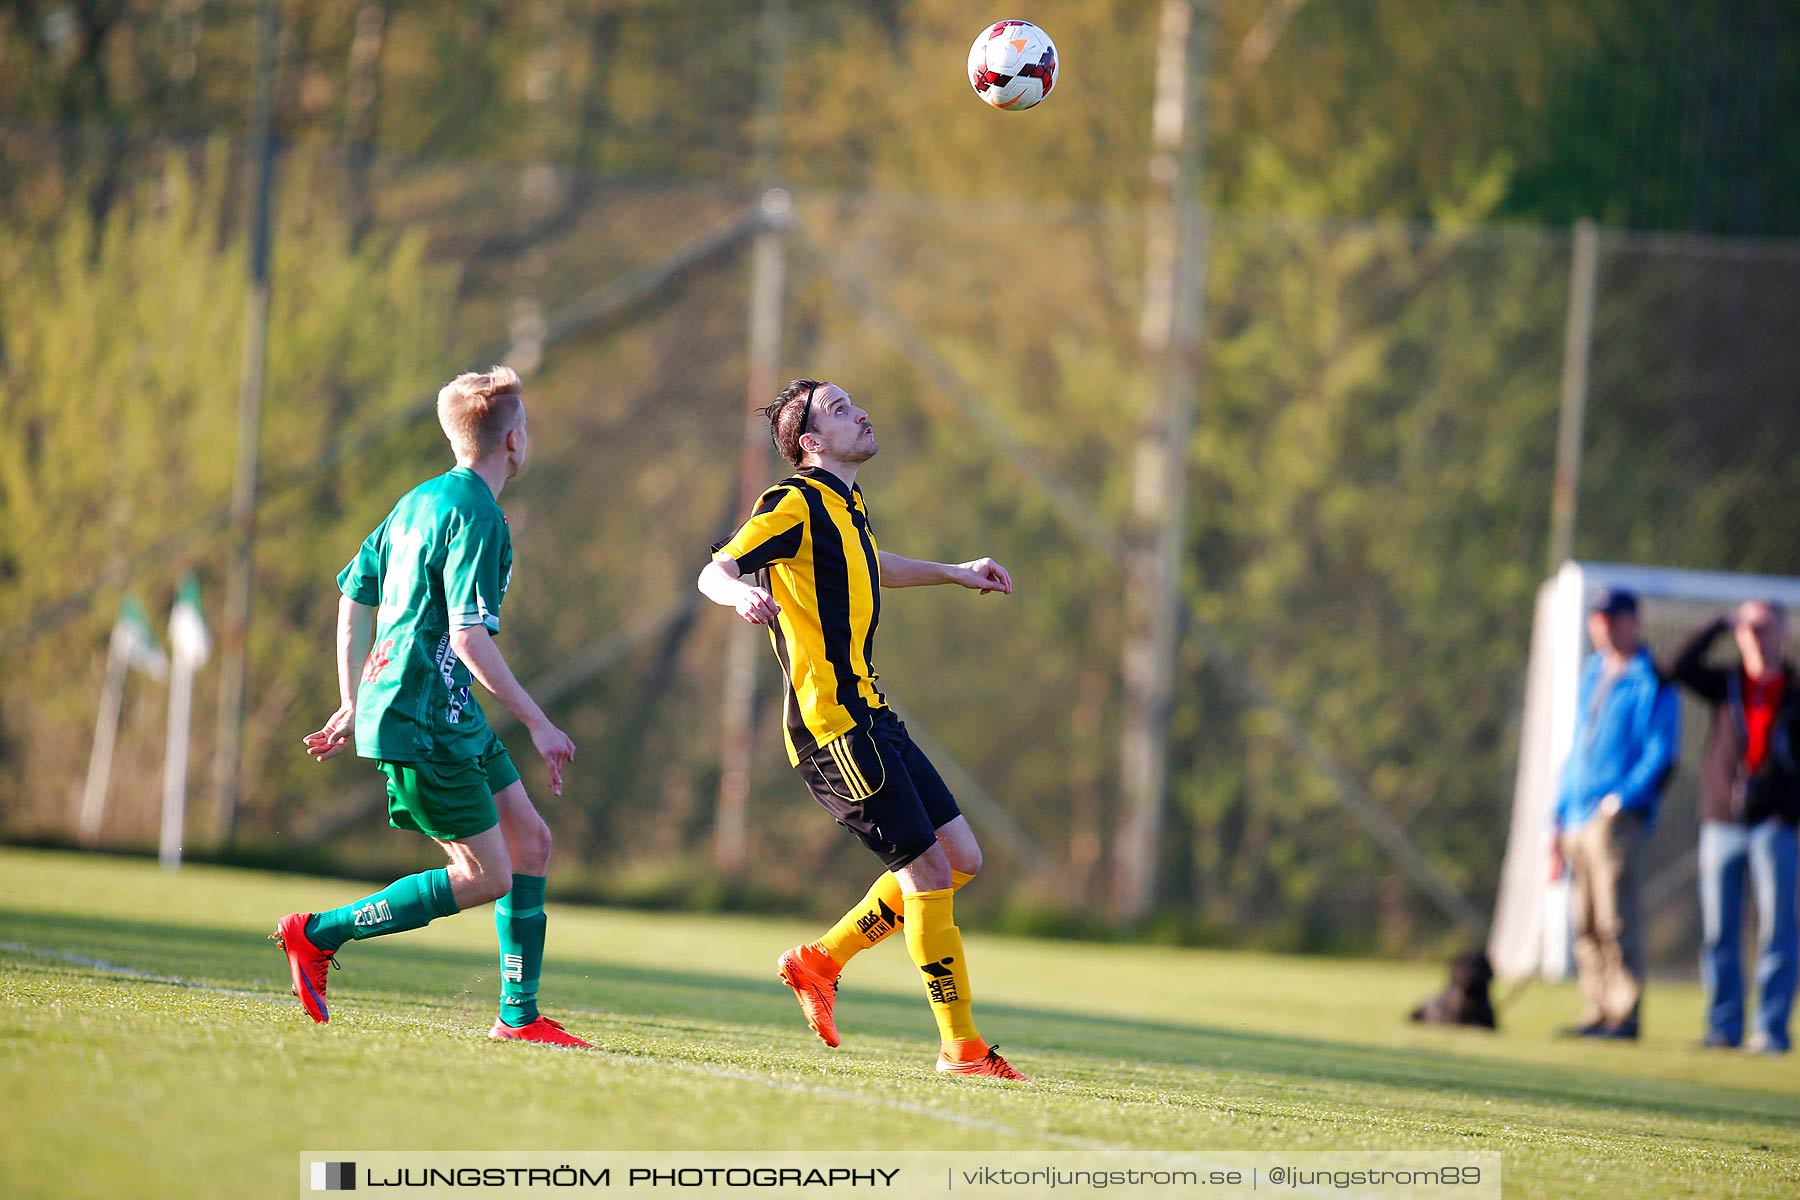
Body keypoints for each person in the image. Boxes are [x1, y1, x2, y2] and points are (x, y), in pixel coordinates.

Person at [697, 378, 1026, 1081]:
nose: (861, 412)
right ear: (811, 444)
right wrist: (740, 594)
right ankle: (962, 1049)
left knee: (960, 857)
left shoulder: (844, 506)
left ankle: (821, 961)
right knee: (929, 872)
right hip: (832, 726)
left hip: (870, 714)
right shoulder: (791, 501)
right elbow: (715, 570)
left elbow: (866, 568)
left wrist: (953, 572)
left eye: (855, 402)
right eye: (840, 411)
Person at [272, 366, 590, 1048]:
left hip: (443, 709)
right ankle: (318, 935)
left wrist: (352, 695)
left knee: (530, 840)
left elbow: (352, 595)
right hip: (423, 716)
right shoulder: (477, 515)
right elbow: (471, 638)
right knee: (485, 875)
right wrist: (538, 720)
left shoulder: (417, 501)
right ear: (515, 441)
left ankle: (520, 1015)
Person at [1665, 601, 1798, 1054]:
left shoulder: (1796, 690)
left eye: (1764, 627)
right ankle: (1723, 1028)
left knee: (1777, 929)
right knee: (1720, 931)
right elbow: (1677, 667)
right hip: (1722, 823)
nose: (1756, 636)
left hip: (1775, 827)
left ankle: (1771, 1031)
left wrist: (1787, 809)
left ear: (1782, 632)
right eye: (1748, 628)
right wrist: (1718, 623)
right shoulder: (1727, 685)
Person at [1548, 588, 1680, 1041]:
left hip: (1614, 819)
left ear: (1631, 622)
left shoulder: (1651, 679)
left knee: (1614, 918)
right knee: (1583, 922)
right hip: (1578, 814)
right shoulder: (1593, 672)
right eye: (1597, 618)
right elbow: (1577, 751)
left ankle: (1623, 1014)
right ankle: (1597, 1010)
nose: (1600, 626)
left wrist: (1621, 798)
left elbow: (1661, 753)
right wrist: (1558, 814)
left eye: (1610, 617)